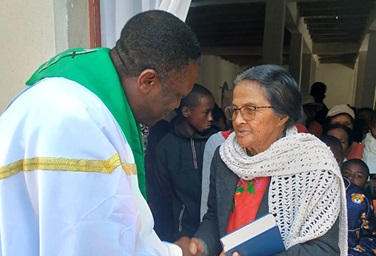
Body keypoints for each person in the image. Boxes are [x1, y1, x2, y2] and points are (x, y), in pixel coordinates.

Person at [0, 10, 201, 255]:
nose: (176, 107)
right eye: (176, 95)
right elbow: (91, 245)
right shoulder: (78, 123)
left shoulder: (44, 99)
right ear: (148, 81)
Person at [187, 64, 347, 256]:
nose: (238, 120)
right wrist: (201, 244)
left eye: (250, 109)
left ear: (282, 115)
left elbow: (323, 250)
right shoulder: (226, 156)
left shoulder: (314, 166)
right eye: (235, 110)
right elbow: (215, 216)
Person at [150, 83, 218, 246]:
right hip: (182, 234)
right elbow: (162, 195)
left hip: (215, 231)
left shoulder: (217, 141)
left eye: (212, 112)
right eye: (206, 112)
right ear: (186, 112)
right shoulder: (166, 146)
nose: (211, 118)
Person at [341, 159, 376, 255]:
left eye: (358, 176)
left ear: (366, 185)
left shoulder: (363, 202)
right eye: (345, 173)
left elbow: (369, 235)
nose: (350, 178)